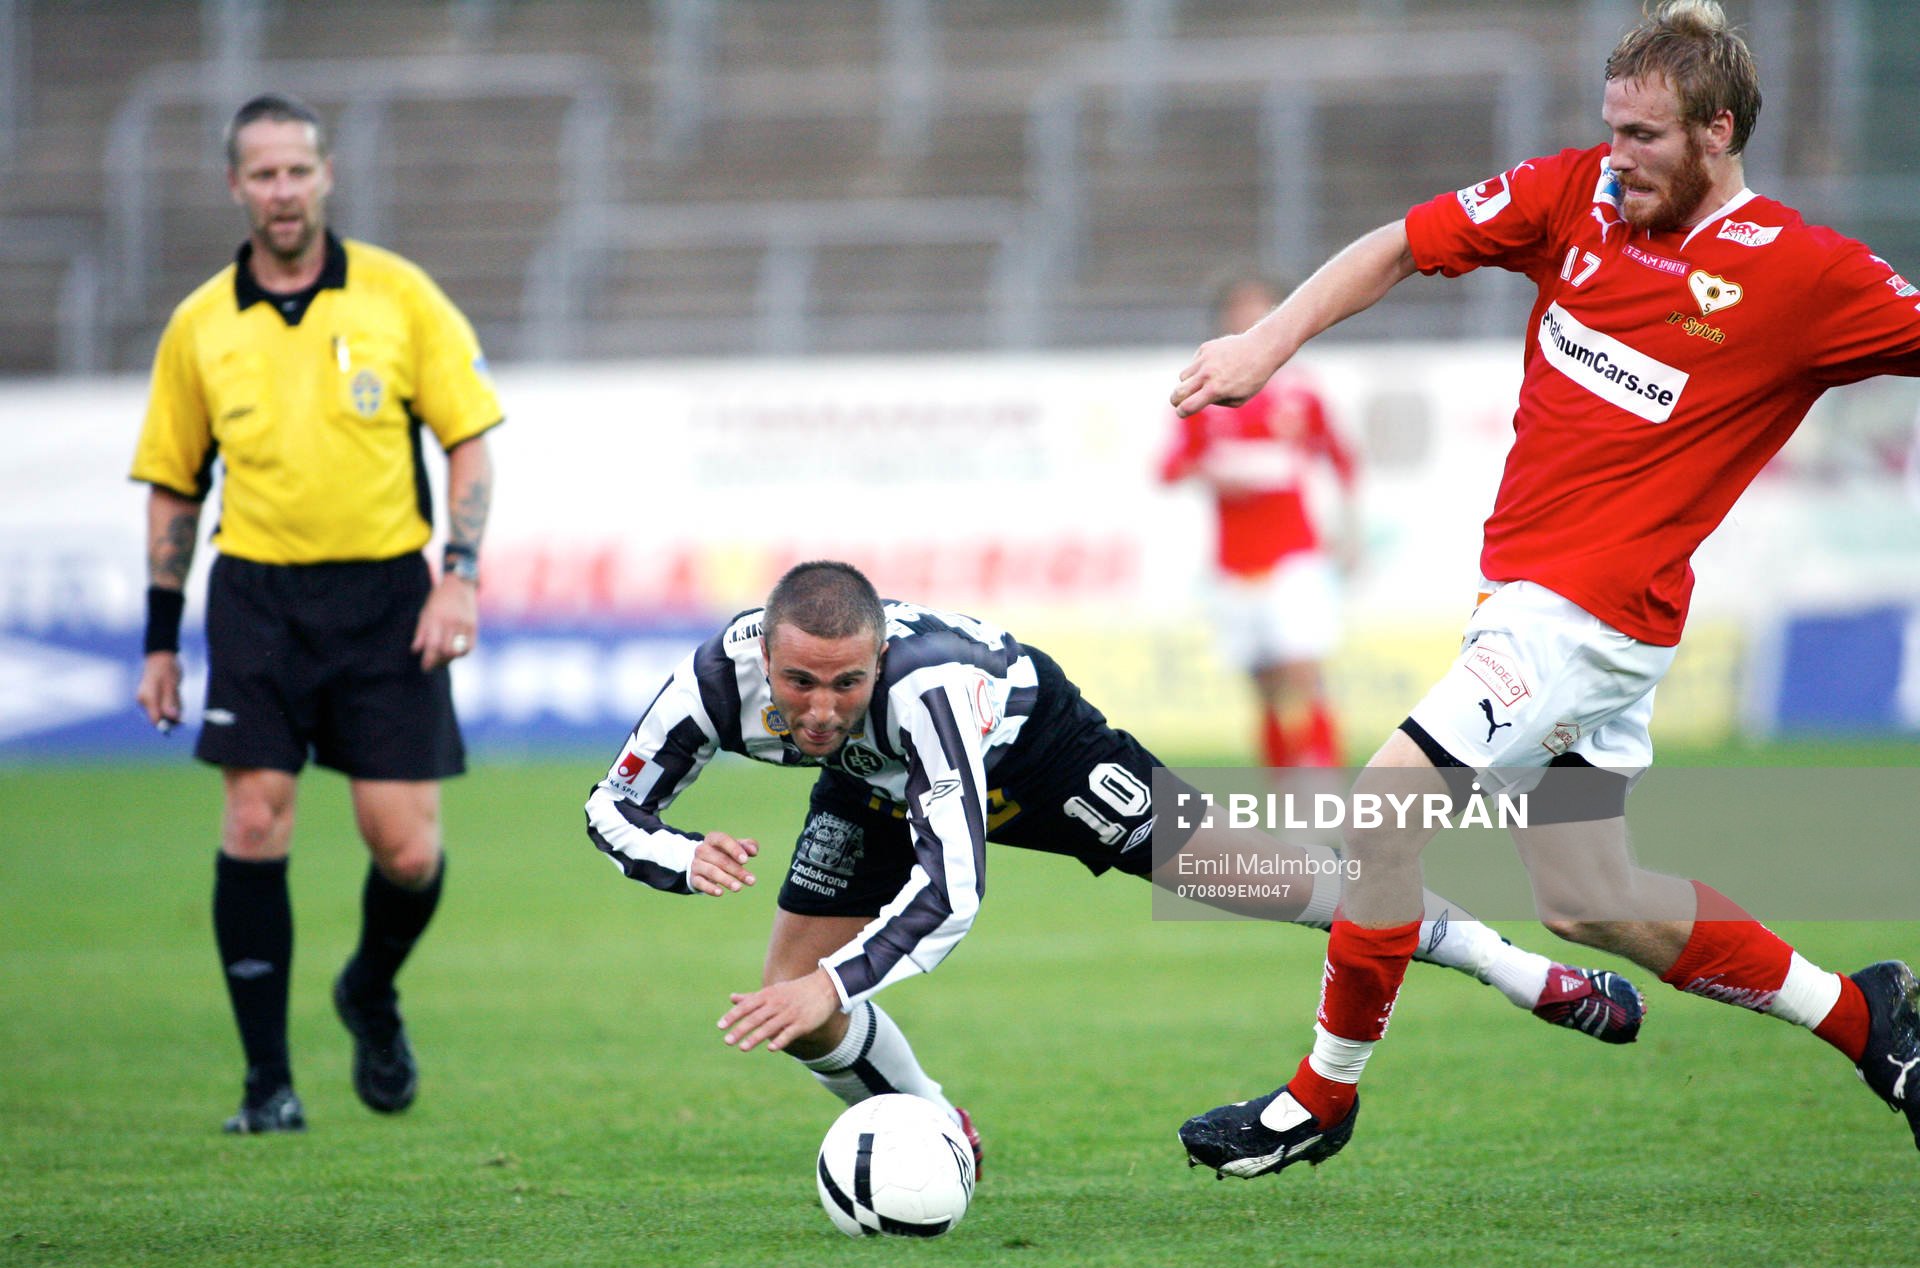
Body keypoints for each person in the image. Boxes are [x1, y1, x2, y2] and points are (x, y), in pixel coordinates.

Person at [1171, 0, 1920, 1179]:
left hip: (1579, 620)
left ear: (1719, 133)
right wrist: (1268, 346)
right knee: (1591, 899)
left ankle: (1320, 1094)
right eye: (1611, 127)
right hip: (1565, 616)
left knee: (1385, 803)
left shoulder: (1804, 274)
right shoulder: (1571, 197)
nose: (1618, 156)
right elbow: (1399, 243)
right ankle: (1866, 1018)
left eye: (1648, 137)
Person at [584, 560, 1650, 1164]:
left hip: (1041, 752)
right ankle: (939, 1127)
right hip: (875, 785)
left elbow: (953, 889)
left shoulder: (926, 691)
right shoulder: (711, 684)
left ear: (877, 661)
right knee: (792, 999)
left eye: (845, 682)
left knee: (1283, 885)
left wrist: (844, 969)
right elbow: (612, 805)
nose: (817, 708)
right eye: (798, 684)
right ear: (760, 653)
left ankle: (1528, 972)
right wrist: (680, 856)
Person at [130, 93, 502, 1134]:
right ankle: (267, 1084)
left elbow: (469, 440)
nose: (283, 190)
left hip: (389, 597)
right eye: (264, 174)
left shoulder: (399, 295)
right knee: (255, 815)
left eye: (299, 170)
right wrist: (160, 641)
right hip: (256, 595)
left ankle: (369, 991)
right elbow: (173, 483)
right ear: (235, 185)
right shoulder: (201, 324)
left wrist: (458, 571)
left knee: (407, 850)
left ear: (325, 174)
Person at [1160, 271, 1359, 768]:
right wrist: (1211, 473)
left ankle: (1321, 796)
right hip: (1234, 564)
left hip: (1295, 554)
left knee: (1303, 673)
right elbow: (1169, 467)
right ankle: (1286, 802)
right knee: (1265, 686)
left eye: (1263, 311)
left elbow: (1340, 458)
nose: (1251, 320)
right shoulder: (1205, 394)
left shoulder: (1300, 391)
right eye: (1241, 310)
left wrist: (1350, 530)